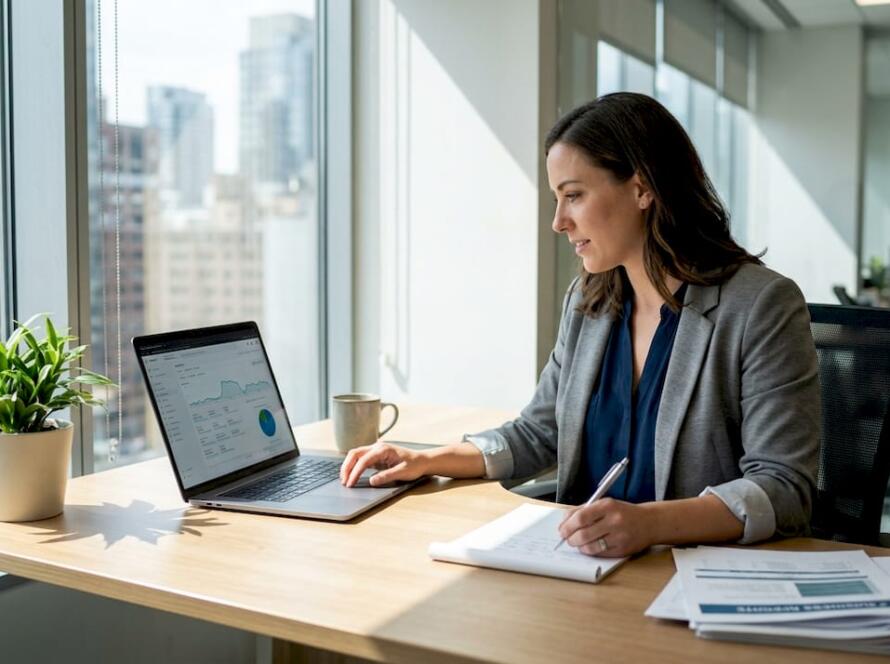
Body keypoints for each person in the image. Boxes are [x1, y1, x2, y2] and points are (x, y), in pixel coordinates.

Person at [339, 92, 820, 558]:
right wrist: (428, 459)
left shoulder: (760, 306)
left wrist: (648, 524)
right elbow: (539, 433)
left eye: (573, 196)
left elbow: (783, 487)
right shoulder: (590, 304)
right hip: (580, 563)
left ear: (642, 188)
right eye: (557, 198)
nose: (558, 222)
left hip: (685, 574)